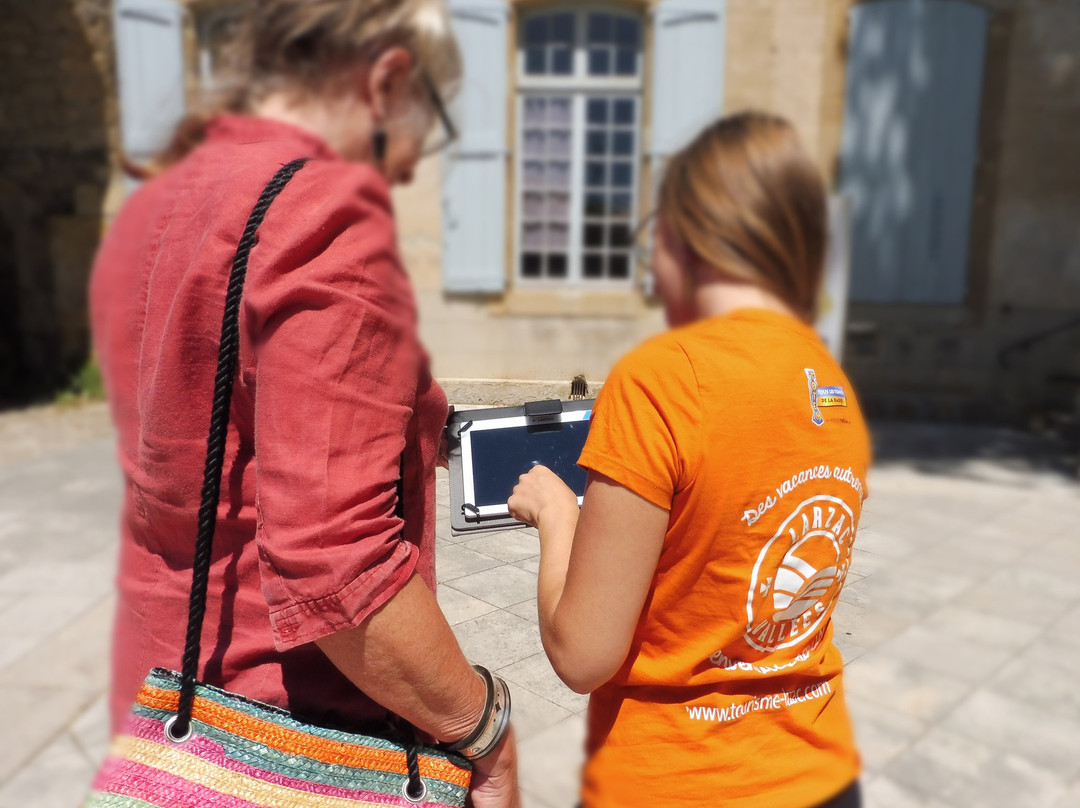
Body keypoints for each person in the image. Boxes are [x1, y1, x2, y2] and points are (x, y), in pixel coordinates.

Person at [89, 2, 518, 805]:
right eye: (434, 125)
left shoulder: (168, 194)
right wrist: (486, 729)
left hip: (172, 710)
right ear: (388, 80)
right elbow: (338, 568)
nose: (415, 168)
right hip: (298, 735)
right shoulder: (326, 218)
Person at [508, 112, 870, 808]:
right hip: (819, 774)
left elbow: (584, 654)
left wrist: (558, 515)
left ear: (686, 234)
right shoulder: (831, 381)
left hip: (679, 781)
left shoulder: (663, 379)